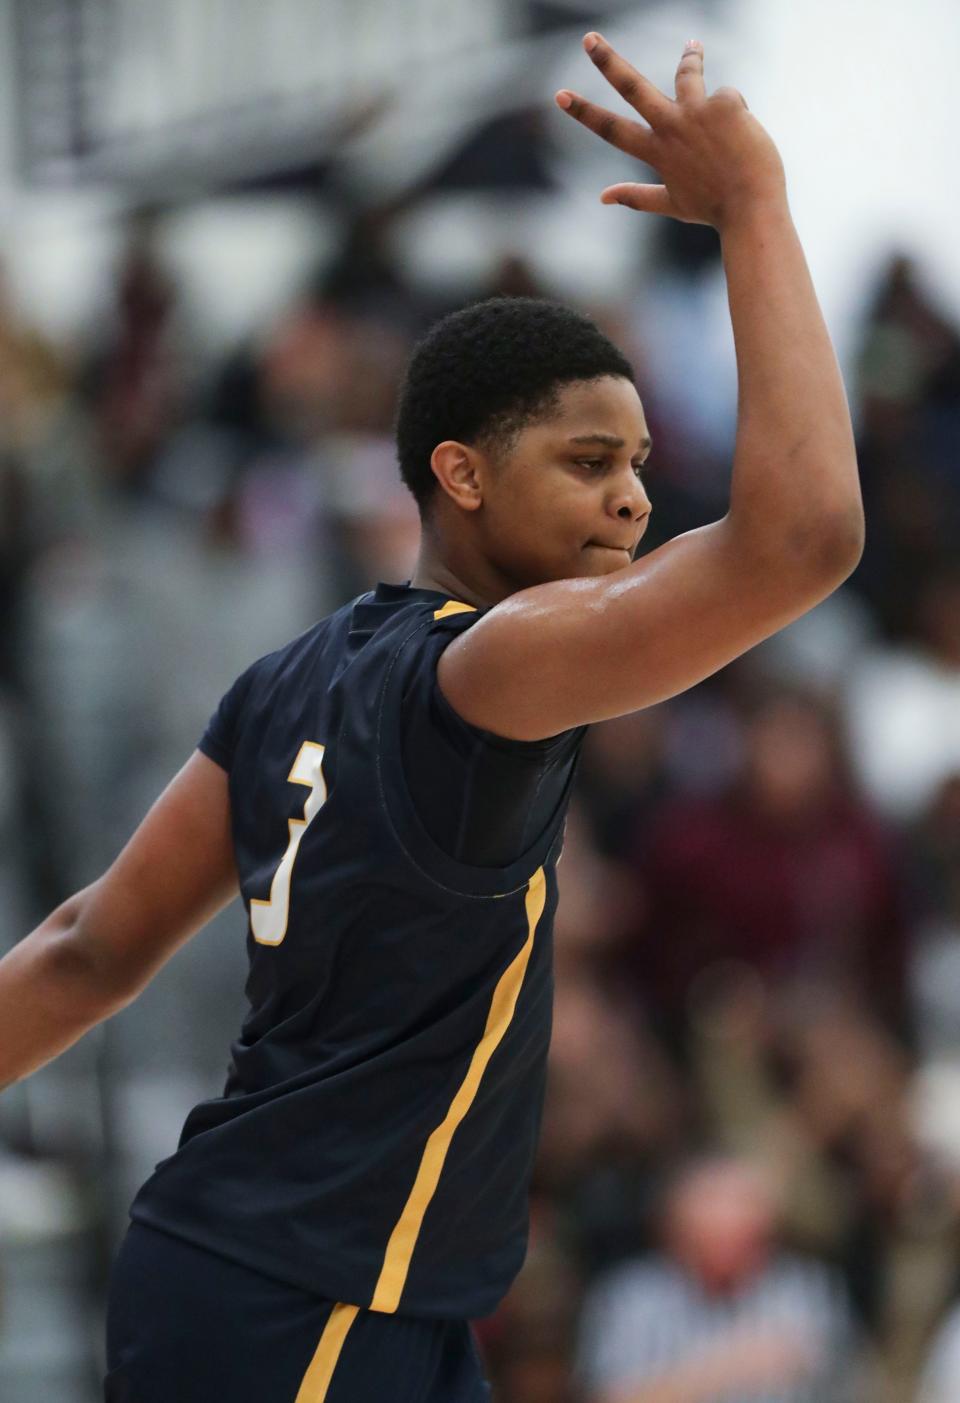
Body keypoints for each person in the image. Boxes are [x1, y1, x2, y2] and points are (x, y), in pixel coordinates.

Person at [0, 32, 864, 1403]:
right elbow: (804, 536)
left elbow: (87, 945)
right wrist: (755, 202)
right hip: (309, 1291)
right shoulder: (496, 662)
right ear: (458, 474)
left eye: (639, 462)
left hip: (327, 1284)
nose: (636, 500)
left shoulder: (287, 679)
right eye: (590, 462)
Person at [574, 1155, 859, 1403]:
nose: (731, 1247)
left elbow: (845, 1385)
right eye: (713, 1235)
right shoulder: (630, 1296)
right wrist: (728, 1366)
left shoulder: (806, 1290)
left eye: (746, 1234)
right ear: (675, 1231)